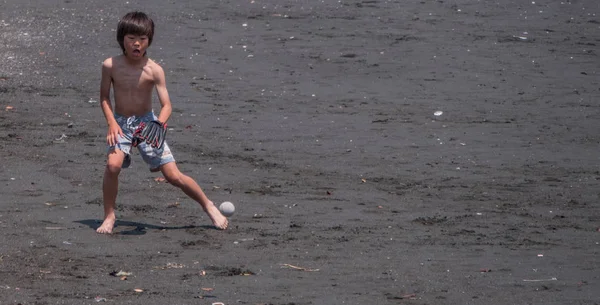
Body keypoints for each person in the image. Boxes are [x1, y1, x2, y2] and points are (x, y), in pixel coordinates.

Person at [96, 11, 228, 234]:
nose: (137, 44)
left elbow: (166, 105)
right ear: (122, 40)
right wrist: (112, 123)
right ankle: (109, 215)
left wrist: (157, 125)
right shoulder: (110, 66)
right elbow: (104, 97)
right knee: (112, 166)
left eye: (143, 39)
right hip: (121, 123)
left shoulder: (154, 70)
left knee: (173, 176)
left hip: (148, 123)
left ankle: (209, 206)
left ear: (149, 40)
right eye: (131, 39)